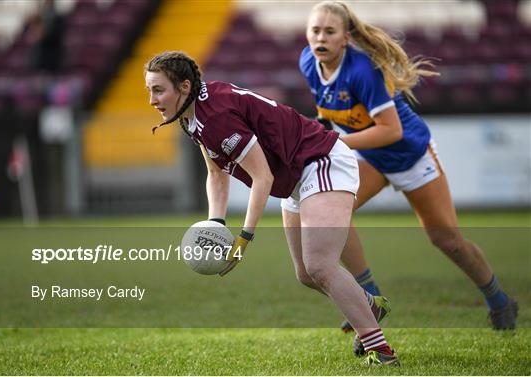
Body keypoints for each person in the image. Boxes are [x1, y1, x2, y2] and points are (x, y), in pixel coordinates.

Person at [145, 51, 399, 366]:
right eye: (150, 91)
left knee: (320, 265)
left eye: (158, 90)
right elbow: (215, 173)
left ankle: (382, 351)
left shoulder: (215, 117)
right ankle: (370, 307)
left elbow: (262, 177)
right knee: (307, 274)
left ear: (184, 86)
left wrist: (244, 238)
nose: (152, 99)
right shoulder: (191, 113)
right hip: (295, 173)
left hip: (320, 160)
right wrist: (216, 223)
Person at [299, 0, 518, 355]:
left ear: (345, 38)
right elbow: (330, 113)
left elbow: (390, 131)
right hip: (370, 157)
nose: (320, 37)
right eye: (315, 30)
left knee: (447, 241)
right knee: (335, 216)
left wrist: (332, 140)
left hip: (411, 155)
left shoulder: (363, 70)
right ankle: (371, 299)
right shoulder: (308, 62)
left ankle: (499, 299)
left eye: (329, 31)